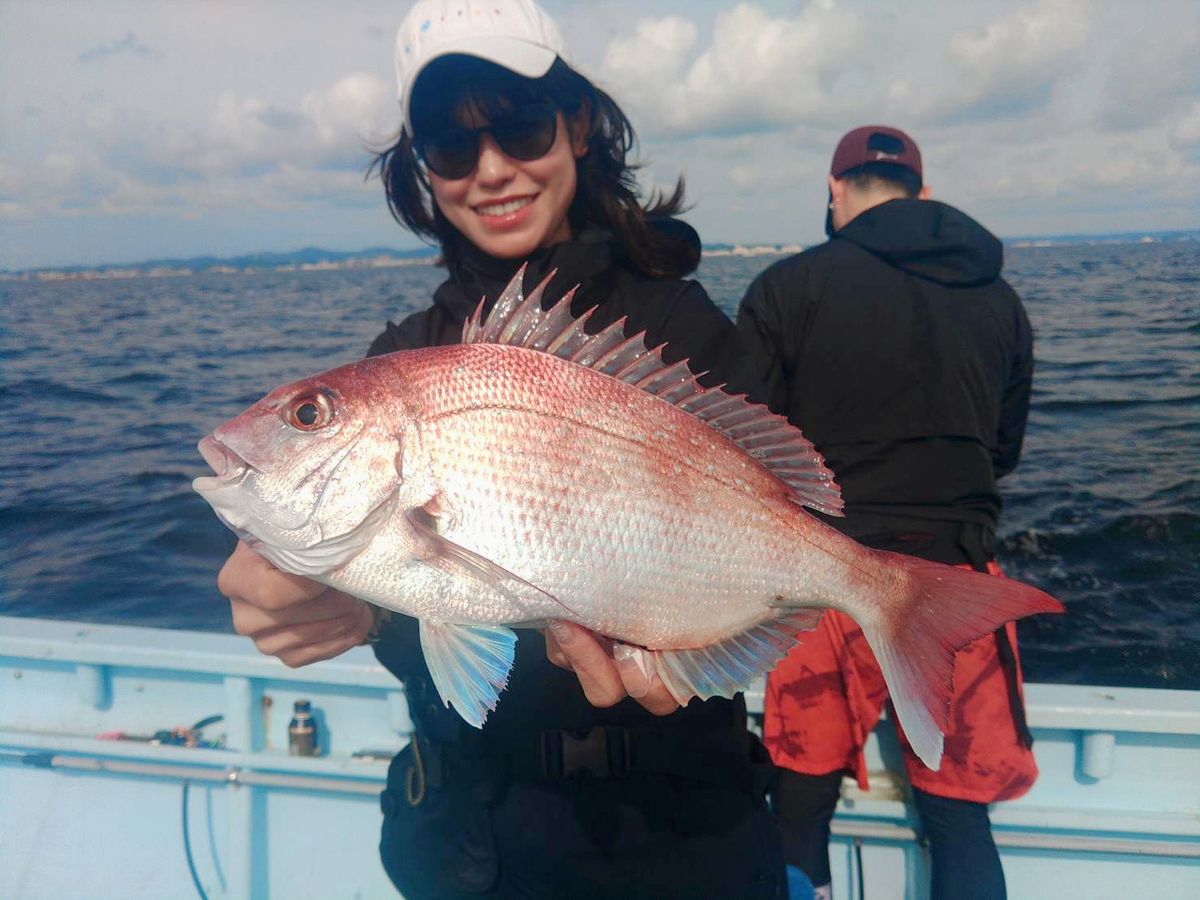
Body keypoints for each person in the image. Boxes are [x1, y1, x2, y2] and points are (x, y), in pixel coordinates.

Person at [218, 1, 784, 897]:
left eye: (518, 126)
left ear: (579, 125)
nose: (491, 170)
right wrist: (336, 606)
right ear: (421, 171)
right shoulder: (402, 358)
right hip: (473, 841)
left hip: (682, 837)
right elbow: (423, 602)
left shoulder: (682, 335)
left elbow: (757, 546)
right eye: (449, 146)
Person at [736, 125, 1037, 900]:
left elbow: (743, 452)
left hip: (823, 583)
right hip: (953, 584)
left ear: (834, 195)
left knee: (799, 803)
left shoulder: (785, 289)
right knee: (958, 818)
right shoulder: (1000, 299)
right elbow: (1001, 452)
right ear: (923, 195)